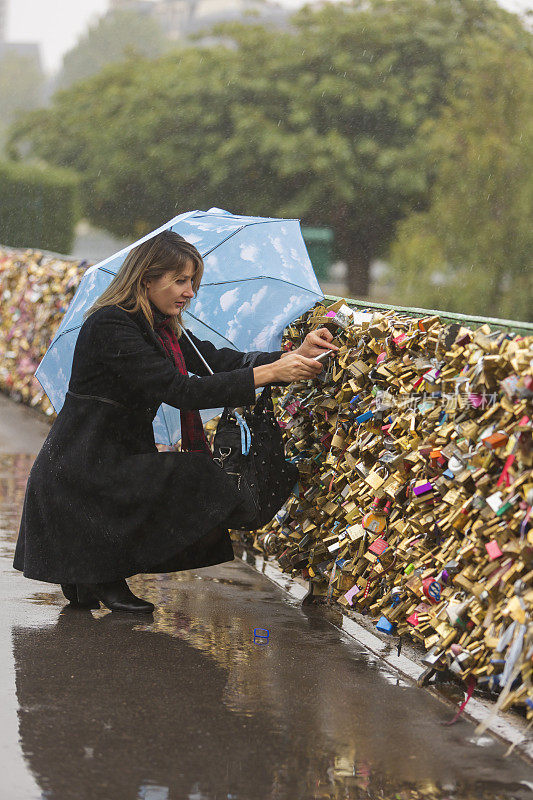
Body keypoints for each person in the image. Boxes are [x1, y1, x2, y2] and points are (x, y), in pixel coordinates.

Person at [13, 230, 338, 613]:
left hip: (109, 456)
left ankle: (91, 575)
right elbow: (179, 390)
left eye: (193, 283)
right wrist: (270, 374)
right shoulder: (111, 325)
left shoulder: (159, 329)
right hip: (83, 463)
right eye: (180, 280)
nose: (189, 292)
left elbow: (217, 361)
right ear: (147, 278)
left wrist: (292, 356)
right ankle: (99, 575)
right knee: (194, 478)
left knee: (189, 480)